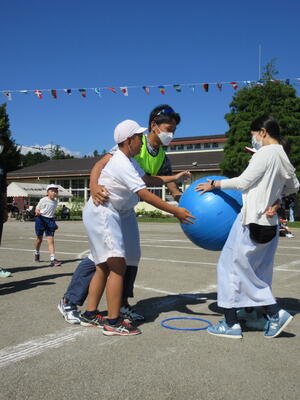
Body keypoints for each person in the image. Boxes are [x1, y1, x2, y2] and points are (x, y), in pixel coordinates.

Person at [58, 104, 185, 324]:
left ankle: (121, 304)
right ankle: (71, 300)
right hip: (107, 206)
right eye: (168, 128)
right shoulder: (131, 144)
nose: (171, 134)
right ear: (154, 126)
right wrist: (93, 186)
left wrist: (185, 202)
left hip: (125, 209)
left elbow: (166, 185)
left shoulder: (162, 156)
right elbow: (100, 164)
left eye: (174, 129)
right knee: (101, 259)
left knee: (131, 257)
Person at [80, 119, 194, 336]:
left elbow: (148, 179)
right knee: (117, 266)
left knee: (103, 266)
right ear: (128, 140)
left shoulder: (130, 162)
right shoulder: (121, 162)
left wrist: (175, 177)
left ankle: (90, 313)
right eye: (138, 137)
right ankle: (113, 322)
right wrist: (175, 211)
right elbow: (144, 194)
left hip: (107, 212)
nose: (142, 142)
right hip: (104, 212)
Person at [196, 115, 299, 339]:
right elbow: (294, 186)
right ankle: (257, 315)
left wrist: (215, 184)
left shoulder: (264, 153)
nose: (254, 140)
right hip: (270, 224)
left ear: (262, 132)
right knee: (257, 271)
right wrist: (277, 200)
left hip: (251, 221)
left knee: (230, 268)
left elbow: (243, 182)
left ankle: (239, 322)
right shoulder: (282, 154)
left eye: (254, 135)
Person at [34, 184, 62, 267]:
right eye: (52, 191)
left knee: (51, 240)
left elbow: (51, 213)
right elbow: (37, 208)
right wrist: (37, 211)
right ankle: (36, 252)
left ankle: (53, 259)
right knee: (39, 239)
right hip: (40, 219)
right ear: (47, 192)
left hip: (50, 221)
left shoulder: (55, 202)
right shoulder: (43, 200)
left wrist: (53, 223)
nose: (54, 193)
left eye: (56, 191)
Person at [0, 132, 12, 278]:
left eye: (2, 144)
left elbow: (3, 186)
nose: (1, 146)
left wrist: (4, 208)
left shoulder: (2, 162)